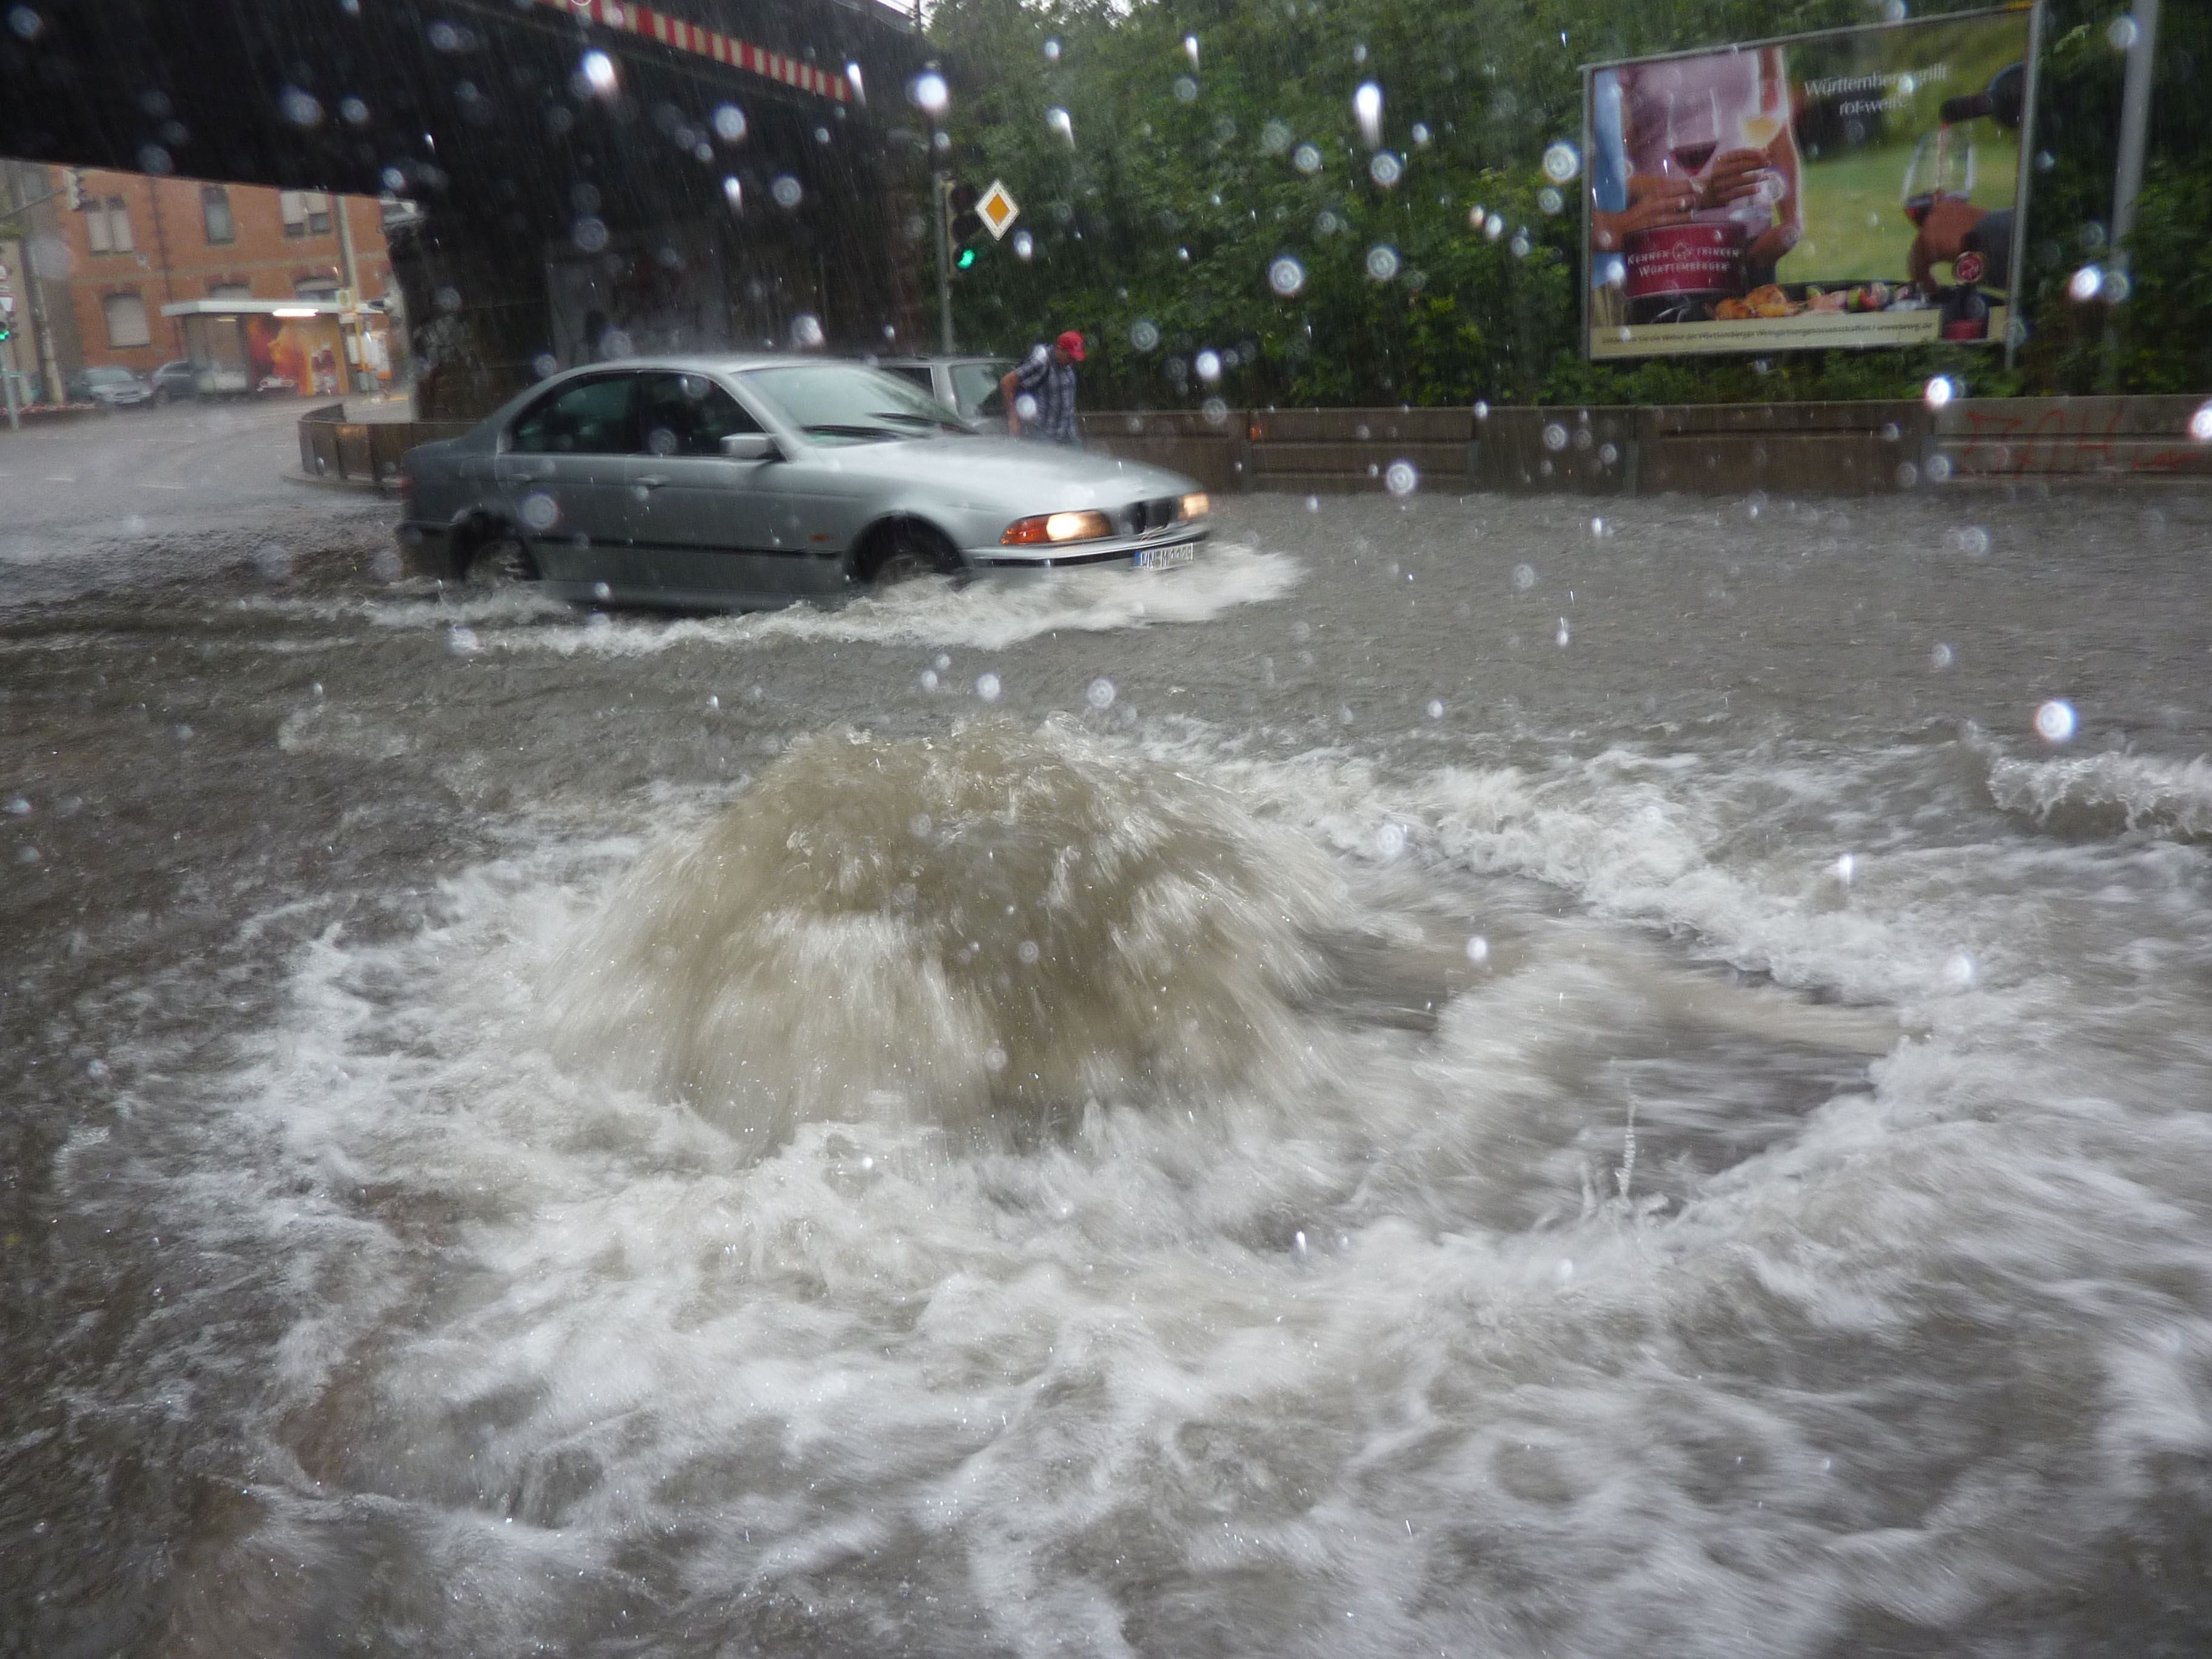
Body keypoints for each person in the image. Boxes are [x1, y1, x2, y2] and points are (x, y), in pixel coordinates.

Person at [1002, 330, 1083, 444]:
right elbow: (1007, 382)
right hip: (1045, 435)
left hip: (1069, 433)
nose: (1073, 361)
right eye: (1070, 357)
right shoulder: (1042, 362)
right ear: (1059, 349)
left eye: (1075, 358)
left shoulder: (1068, 365)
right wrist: (1013, 416)